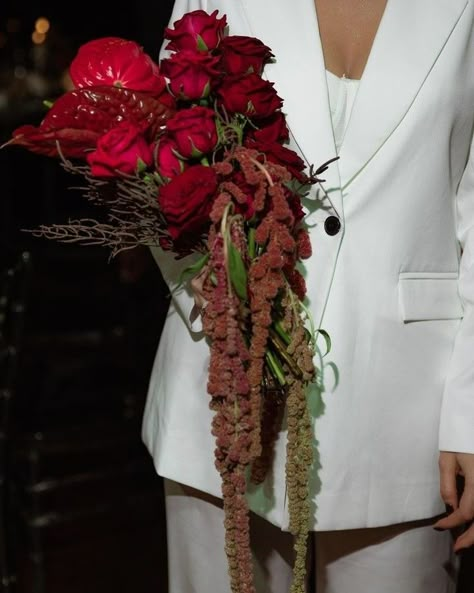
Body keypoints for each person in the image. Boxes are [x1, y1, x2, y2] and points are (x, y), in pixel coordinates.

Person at [141, 0, 474, 591]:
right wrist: (217, 285)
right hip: (224, 389)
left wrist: (471, 417)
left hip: (406, 404)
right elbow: (163, 159)